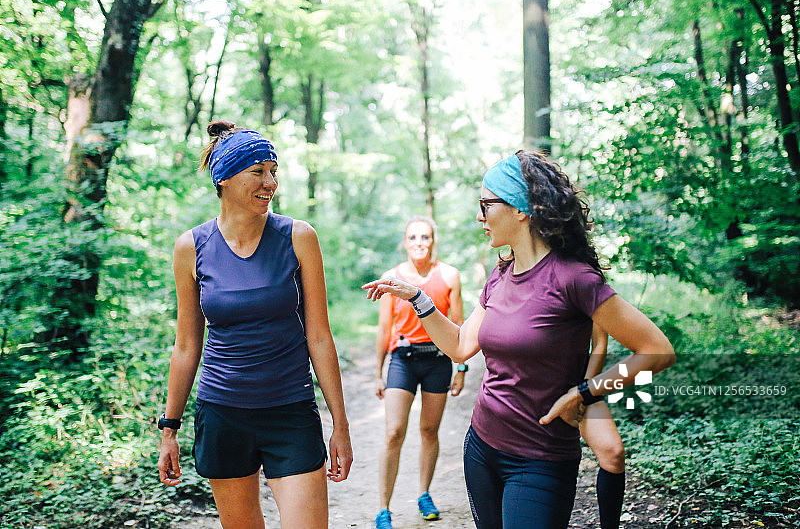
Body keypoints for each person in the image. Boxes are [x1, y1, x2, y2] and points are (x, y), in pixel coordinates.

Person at [363, 150, 675, 529]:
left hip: (540, 460)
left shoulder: (574, 278)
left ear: (520, 209)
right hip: (481, 448)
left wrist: (585, 392)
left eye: (486, 205)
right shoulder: (501, 275)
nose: (480, 217)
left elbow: (657, 350)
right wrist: (418, 299)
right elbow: (461, 345)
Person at [158, 121, 353, 529]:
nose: (271, 182)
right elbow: (186, 345)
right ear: (225, 178)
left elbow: (318, 334)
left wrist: (340, 423)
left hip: (290, 411)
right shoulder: (191, 247)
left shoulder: (298, 236)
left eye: (273, 171)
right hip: (223, 414)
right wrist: (169, 429)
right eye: (258, 171)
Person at [373, 216, 466, 529]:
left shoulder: (450, 275)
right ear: (405, 242)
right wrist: (378, 371)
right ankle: (383, 509)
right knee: (393, 432)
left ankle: (424, 494)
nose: (418, 243)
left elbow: (459, 327)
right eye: (412, 237)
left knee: (429, 431)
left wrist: (461, 368)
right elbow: (384, 328)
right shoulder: (391, 278)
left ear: (433, 241)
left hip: (438, 361)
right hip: (402, 359)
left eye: (424, 237)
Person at [582, 325, 626, 529]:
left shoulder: (589, 292)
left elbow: (599, 343)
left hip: (579, 384)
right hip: (534, 383)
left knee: (613, 453)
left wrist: (584, 391)